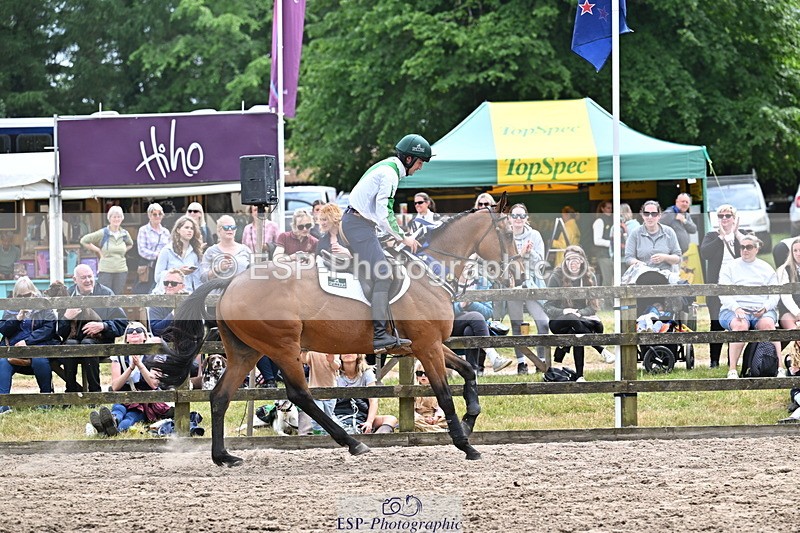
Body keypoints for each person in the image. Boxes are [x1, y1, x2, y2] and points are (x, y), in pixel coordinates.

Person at [341, 134, 431, 353]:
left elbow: (376, 213)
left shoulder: (388, 166)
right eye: (419, 162)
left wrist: (386, 234)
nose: (420, 167)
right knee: (385, 273)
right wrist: (403, 237)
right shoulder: (390, 174)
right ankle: (380, 335)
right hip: (359, 225)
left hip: (361, 223)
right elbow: (384, 213)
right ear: (409, 159)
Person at [544, 246, 616, 381]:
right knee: (573, 321)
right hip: (559, 320)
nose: (573, 262)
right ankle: (601, 350)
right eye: (569, 259)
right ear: (564, 261)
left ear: (583, 261)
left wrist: (579, 313)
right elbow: (547, 307)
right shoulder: (557, 276)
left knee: (578, 332)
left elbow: (593, 306)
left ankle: (580, 376)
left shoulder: (589, 276)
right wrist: (564, 311)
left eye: (577, 259)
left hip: (582, 320)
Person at [88, 322, 170, 436]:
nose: (134, 332)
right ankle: (111, 422)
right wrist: (131, 368)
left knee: (131, 416)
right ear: (126, 338)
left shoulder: (154, 354)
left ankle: (111, 431)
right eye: (130, 331)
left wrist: (140, 365)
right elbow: (115, 386)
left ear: (145, 336)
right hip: (124, 396)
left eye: (138, 330)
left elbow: (153, 384)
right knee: (118, 409)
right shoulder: (119, 356)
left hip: (144, 399)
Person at [56, 264, 128, 393]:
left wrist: (103, 326)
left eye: (90, 276)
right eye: (83, 277)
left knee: (87, 344)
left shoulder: (106, 293)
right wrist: (66, 317)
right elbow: (60, 332)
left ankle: (95, 392)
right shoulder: (68, 295)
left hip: (101, 342)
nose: (88, 280)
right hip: (74, 341)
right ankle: (71, 392)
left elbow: (122, 323)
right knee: (70, 344)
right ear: (75, 279)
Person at [718, 234, 780, 379]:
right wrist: (736, 308)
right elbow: (723, 293)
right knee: (740, 326)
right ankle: (732, 369)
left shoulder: (766, 268)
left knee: (768, 324)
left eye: (749, 247)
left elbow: (775, 294)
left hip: (761, 310)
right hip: (734, 310)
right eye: (742, 247)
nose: (745, 250)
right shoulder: (730, 267)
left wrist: (765, 308)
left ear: (757, 249)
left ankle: (780, 366)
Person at [0, 277, 60, 414]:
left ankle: (46, 400)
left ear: (33, 293)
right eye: (19, 296)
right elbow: (3, 329)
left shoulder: (43, 305)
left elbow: (49, 328)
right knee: (3, 362)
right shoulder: (10, 307)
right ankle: (3, 404)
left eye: (26, 295)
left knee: (40, 360)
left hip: (38, 347)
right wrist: (17, 318)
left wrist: (28, 342)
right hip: (14, 352)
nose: (23, 298)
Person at [699, 203, 744, 368]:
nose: (724, 219)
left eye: (728, 216)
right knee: (716, 323)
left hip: (737, 287)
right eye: (721, 216)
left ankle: (733, 361)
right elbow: (705, 253)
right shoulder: (711, 236)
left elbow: (753, 248)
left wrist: (737, 234)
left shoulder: (741, 236)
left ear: (734, 218)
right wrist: (721, 238)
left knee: (738, 323)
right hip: (716, 287)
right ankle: (714, 361)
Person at [506, 202, 549, 374]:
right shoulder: (505, 235)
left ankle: (542, 361)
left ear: (526, 218)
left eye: (521, 216)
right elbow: (502, 262)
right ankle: (521, 362)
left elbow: (541, 264)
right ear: (509, 218)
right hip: (512, 284)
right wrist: (520, 255)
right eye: (515, 215)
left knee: (543, 322)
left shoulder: (535, 235)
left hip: (533, 283)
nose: (518, 219)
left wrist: (529, 253)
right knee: (516, 324)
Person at [334, 353, 397, 434]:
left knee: (391, 419)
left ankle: (376, 439)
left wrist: (369, 422)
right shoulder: (334, 373)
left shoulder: (367, 373)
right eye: (344, 352)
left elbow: (373, 401)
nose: (348, 353)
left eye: (352, 351)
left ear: (358, 355)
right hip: (340, 413)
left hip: (362, 415)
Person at [79, 206, 134, 296]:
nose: (116, 219)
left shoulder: (124, 234)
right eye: (114, 217)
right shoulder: (103, 233)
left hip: (121, 270)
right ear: (109, 218)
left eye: (119, 217)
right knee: (104, 296)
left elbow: (130, 244)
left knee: (118, 297)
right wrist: (98, 250)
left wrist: (123, 252)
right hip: (106, 270)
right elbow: (84, 240)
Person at [624, 200, 682, 273]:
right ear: (642, 215)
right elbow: (629, 258)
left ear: (659, 215)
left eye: (654, 214)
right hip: (641, 275)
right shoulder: (635, 233)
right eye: (646, 213)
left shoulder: (669, 232)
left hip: (666, 276)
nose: (650, 217)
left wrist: (664, 257)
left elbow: (678, 258)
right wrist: (639, 264)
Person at [153, 215, 203, 292]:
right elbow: (157, 277)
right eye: (186, 227)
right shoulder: (167, 251)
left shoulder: (195, 253)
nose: (189, 230)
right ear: (178, 230)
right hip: (168, 294)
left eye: (192, 228)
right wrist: (178, 272)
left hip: (187, 293)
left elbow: (198, 280)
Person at [297, 350, 340, 435]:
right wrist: (305, 351)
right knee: (317, 417)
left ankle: (328, 434)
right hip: (314, 389)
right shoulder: (312, 352)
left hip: (330, 390)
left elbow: (337, 366)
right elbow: (304, 360)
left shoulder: (333, 349)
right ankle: (318, 435)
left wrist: (331, 361)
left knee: (328, 416)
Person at [199, 215, 251, 282]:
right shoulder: (210, 252)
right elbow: (203, 277)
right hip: (219, 291)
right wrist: (218, 269)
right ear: (219, 230)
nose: (230, 229)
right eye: (226, 227)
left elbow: (255, 272)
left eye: (232, 227)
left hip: (242, 290)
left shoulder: (245, 250)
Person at [136, 203, 172, 293]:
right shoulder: (143, 230)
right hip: (148, 267)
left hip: (163, 267)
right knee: (146, 292)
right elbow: (142, 250)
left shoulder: (166, 232)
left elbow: (170, 248)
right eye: (154, 214)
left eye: (160, 214)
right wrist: (157, 255)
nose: (157, 216)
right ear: (149, 215)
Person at [413, 362, 447, 432]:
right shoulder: (413, 390)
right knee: (413, 420)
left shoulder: (437, 389)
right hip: (420, 417)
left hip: (433, 417)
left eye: (426, 373)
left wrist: (436, 417)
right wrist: (423, 418)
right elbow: (410, 410)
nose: (423, 376)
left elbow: (441, 407)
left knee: (449, 419)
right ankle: (438, 431)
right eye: (419, 373)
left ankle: (429, 429)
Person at [776, 238, 800, 335]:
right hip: (789, 310)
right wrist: (797, 312)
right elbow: (786, 297)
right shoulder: (784, 270)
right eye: (795, 250)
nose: (798, 253)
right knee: (796, 333)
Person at [592, 200, 614, 286]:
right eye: (608, 208)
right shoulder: (599, 221)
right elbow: (597, 240)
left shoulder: (612, 220)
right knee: (607, 280)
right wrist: (612, 244)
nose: (610, 210)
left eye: (611, 208)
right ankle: (607, 299)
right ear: (602, 209)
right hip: (604, 255)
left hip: (612, 255)